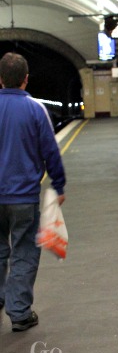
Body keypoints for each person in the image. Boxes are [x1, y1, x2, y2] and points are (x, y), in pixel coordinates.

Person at [0, 53, 66, 332]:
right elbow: (50, 151)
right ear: (26, 80)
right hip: (24, 197)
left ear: (0, 79)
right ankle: (19, 312)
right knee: (25, 251)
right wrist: (59, 185)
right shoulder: (36, 109)